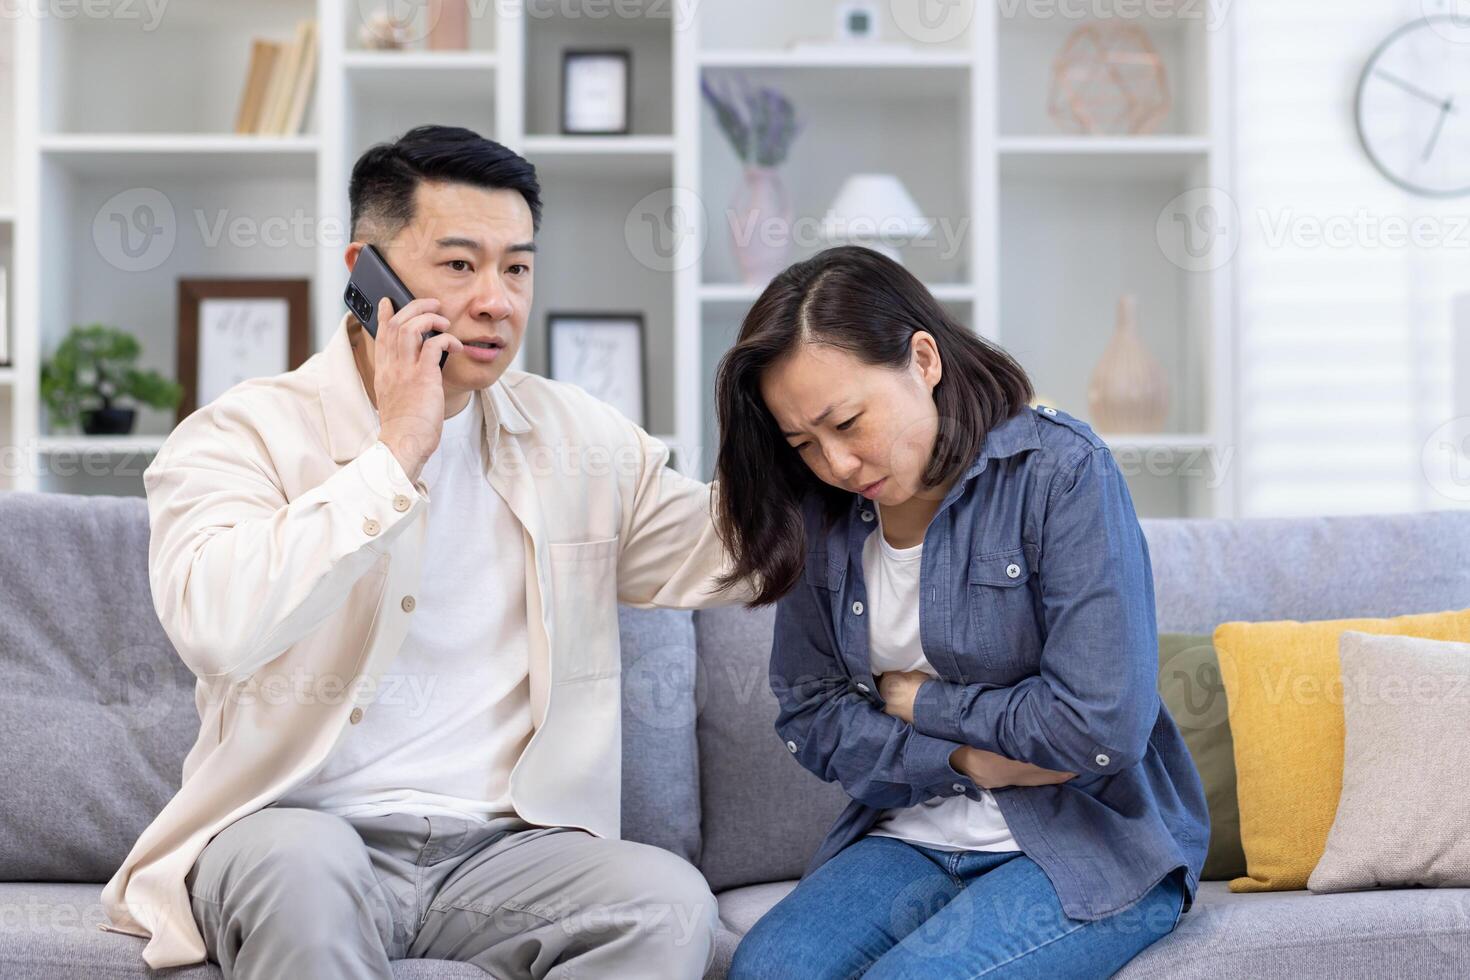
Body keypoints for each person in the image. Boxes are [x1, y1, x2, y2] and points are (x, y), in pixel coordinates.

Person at [99, 125, 748, 980]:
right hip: (299, 832)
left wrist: (832, 439)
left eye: (516, 267)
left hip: (504, 856)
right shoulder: (241, 433)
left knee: (666, 901)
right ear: (366, 275)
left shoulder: (577, 437)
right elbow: (217, 623)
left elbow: (729, 549)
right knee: (303, 871)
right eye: (458, 265)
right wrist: (396, 452)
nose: (496, 300)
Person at [712, 245, 1209, 979]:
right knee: (768, 969)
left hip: (1087, 839)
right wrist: (962, 756)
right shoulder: (821, 512)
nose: (836, 464)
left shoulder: (1060, 472)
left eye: (847, 422)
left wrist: (925, 702)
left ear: (923, 360)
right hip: (911, 833)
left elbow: (1102, 723)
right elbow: (811, 712)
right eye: (803, 443)